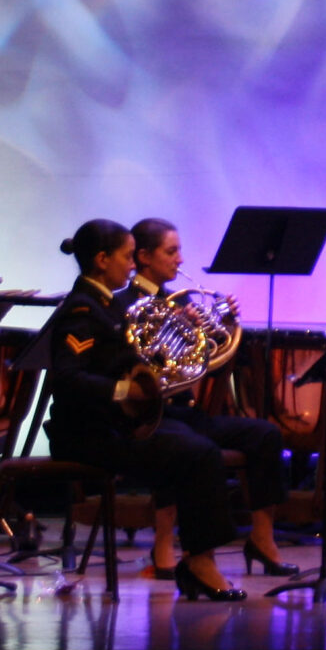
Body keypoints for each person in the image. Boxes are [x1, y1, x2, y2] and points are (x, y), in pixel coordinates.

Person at [41, 220, 246, 600]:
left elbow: (126, 360)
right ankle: (199, 562)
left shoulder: (104, 304)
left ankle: (198, 557)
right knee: (197, 453)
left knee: (194, 443)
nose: (132, 265)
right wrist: (127, 390)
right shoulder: (82, 310)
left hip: (110, 428)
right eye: (125, 256)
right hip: (86, 437)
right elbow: (68, 379)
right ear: (102, 260)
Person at [124, 219, 297, 578]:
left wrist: (221, 324)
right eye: (171, 252)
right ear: (143, 256)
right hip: (150, 415)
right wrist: (173, 331)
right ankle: (166, 547)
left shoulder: (184, 302)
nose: (180, 260)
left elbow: (207, 366)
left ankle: (263, 541)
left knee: (266, 435)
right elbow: (132, 367)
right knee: (185, 447)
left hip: (185, 411)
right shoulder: (126, 305)